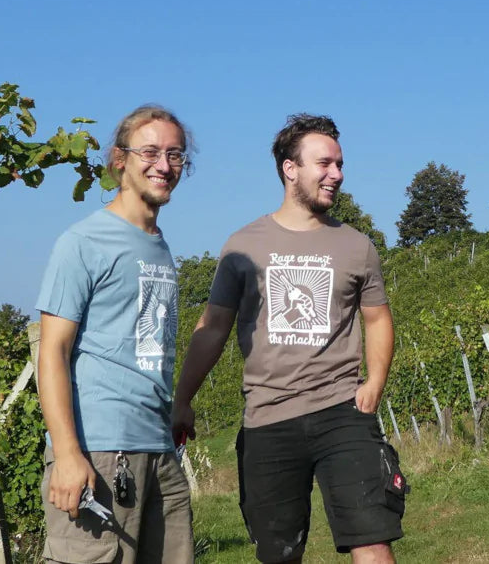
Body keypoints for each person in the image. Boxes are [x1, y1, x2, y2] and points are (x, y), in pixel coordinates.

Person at [173, 114, 405, 564]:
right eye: (325, 163)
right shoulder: (243, 246)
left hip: (343, 412)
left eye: (340, 164)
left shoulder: (358, 246)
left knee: (373, 539)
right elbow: (213, 326)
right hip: (267, 418)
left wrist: (374, 382)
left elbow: (377, 319)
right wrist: (183, 398)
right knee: (278, 555)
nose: (337, 175)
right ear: (290, 168)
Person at [35, 105, 195, 563]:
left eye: (176, 154)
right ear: (119, 159)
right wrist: (67, 453)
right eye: (150, 152)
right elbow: (52, 352)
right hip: (101, 451)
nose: (164, 166)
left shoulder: (158, 245)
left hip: (158, 448)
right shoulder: (83, 242)